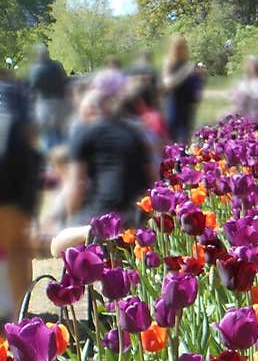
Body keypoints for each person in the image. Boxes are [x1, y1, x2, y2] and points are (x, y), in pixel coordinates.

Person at [59, 70, 154, 243]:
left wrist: (70, 219)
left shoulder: (83, 132)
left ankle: (93, 236)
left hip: (103, 214)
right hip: (137, 217)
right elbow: (151, 177)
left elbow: (76, 186)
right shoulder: (135, 133)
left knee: (57, 242)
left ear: (89, 110)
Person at [0, 71, 44, 318]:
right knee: (17, 245)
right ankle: (18, 318)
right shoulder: (15, 89)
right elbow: (32, 133)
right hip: (19, 157)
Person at [161, 34, 202, 146]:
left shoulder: (188, 64)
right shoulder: (169, 62)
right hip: (173, 104)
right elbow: (167, 83)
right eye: (177, 47)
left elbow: (195, 87)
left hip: (187, 107)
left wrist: (198, 75)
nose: (180, 49)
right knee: (171, 139)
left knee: (185, 140)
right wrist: (185, 71)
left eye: (182, 46)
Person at [28, 44, 69, 150]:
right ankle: (62, 158)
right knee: (61, 133)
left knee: (47, 135)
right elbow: (65, 81)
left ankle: (51, 160)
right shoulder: (57, 65)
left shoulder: (35, 69)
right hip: (60, 103)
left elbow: (32, 88)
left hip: (44, 104)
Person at [229, 55, 258, 129]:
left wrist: (247, 96)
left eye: (252, 65)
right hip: (240, 116)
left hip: (255, 117)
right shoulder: (244, 80)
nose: (250, 68)